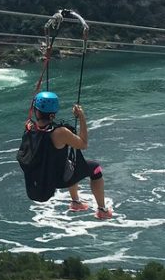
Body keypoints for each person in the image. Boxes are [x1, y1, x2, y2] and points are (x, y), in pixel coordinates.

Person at [18, 91, 111, 219]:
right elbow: (83, 144)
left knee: (71, 161)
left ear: (36, 111)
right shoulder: (60, 133)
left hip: (40, 179)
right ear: (53, 114)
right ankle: (102, 210)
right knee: (95, 168)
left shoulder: (30, 128)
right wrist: (81, 117)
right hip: (59, 179)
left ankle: (76, 203)